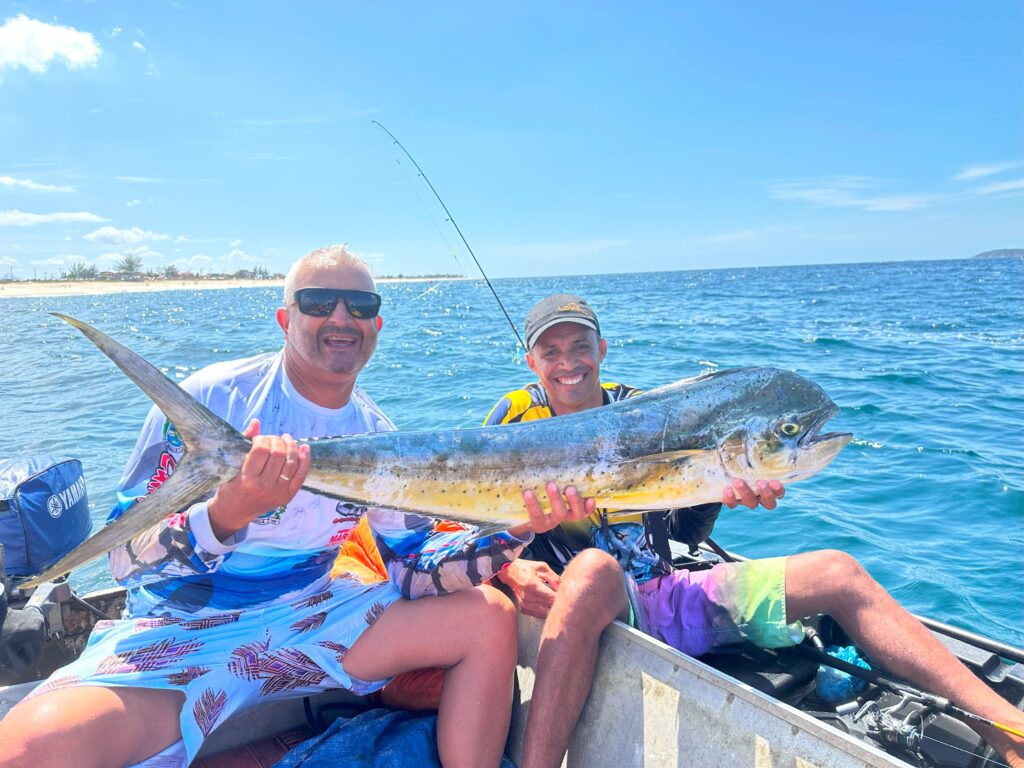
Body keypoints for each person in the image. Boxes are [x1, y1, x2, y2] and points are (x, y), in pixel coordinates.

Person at [0, 248, 588, 768]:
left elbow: (411, 569)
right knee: (30, 749)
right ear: (286, 318)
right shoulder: (214, 397)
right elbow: (126, 562)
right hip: (182, 629)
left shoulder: (376, 432)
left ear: (376, 326)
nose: (341, 317)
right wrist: (226, 514)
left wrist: (513, 532)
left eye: (359, 305)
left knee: (487, 614)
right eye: (318, 301)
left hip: (316, 614)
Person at [485, 293, 1024, 768]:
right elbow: (460, 521)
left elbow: (684, 535)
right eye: (551, 352)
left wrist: (719, 496)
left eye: (579, 346)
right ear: (531, 361)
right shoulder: (511, 417)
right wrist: (509, 571)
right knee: (591, 568)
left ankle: (1009, 732)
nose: (568, 362)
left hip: (663, 597)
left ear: (601, 349)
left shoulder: (644, 410)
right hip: (574, 599)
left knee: (839, 570)